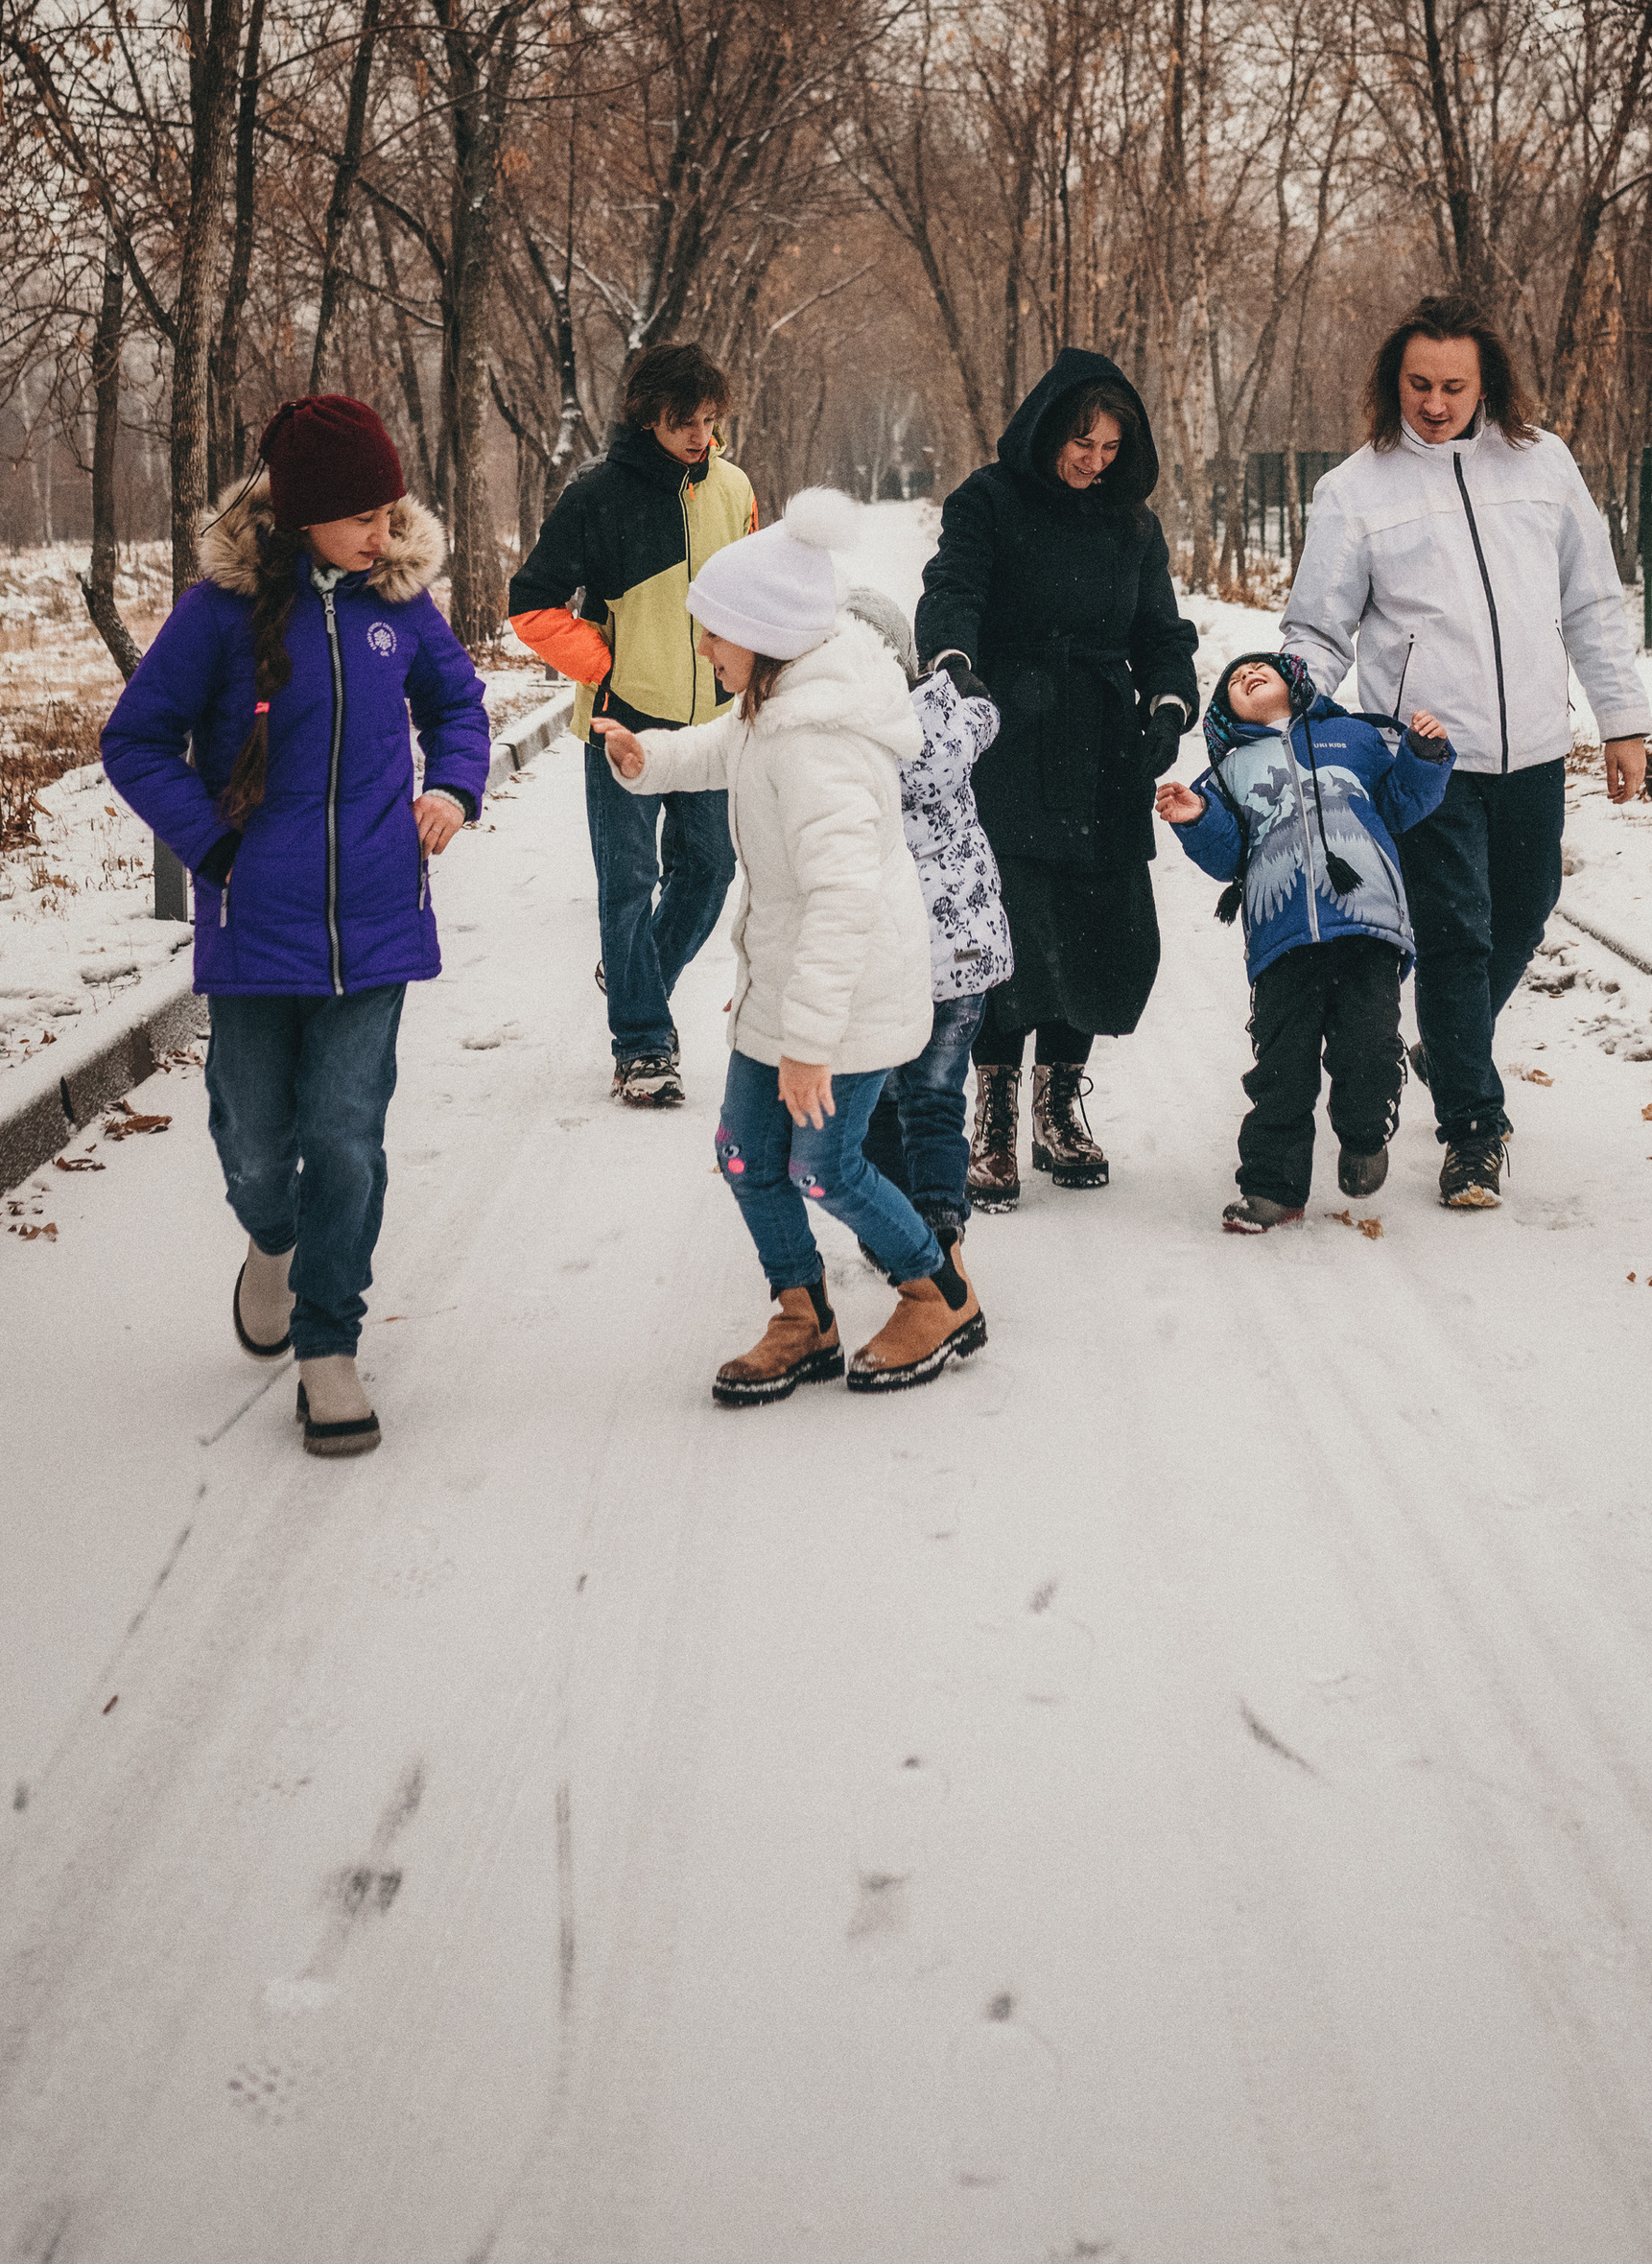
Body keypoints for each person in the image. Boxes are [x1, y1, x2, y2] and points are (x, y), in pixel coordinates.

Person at [103, 394, 490, 1458]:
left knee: (347, 1141)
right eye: (361, 513)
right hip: (256, 930)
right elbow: (135, 740)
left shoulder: (399, 604)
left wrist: (453, 791)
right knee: (257, 1147)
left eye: (389, 506)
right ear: (301, 512)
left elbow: (460, 709)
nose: (383, 529)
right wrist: (217, 854)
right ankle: (270, 1243)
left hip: (377, 923)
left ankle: (329, 1347)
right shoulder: (217, 614)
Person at [597, 491, 988, 1403]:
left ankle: (937, 1293)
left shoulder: (824, 744)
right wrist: (646, 759)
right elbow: (725, 752)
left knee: (826, 1165)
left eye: (713, 635)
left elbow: (844, 900)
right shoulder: (778, 701)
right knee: (744, 1153)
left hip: (841, 1003)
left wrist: (809, 1043)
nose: (703, 651)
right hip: (788, 987)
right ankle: (803, 1315)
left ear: (767, 635)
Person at [1281, 291, 1650, 1210]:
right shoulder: (1354, 491)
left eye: (1453, 386)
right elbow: (1318, 629)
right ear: (1391, 381)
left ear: (1487, 382)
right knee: (1457, 937)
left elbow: (1591, 601)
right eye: (1418, 385)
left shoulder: (1542, 463)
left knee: (1527, 908)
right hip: (1426, 756)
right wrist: (1286, 699)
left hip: (1532, 746)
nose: (1435, 404)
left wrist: (1623, 718)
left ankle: (1448, 1045)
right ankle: (1473, 1132)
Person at [914, 348, 1199, 1207]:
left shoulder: (1132, 525)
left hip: (1103, 744)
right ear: (1048, 427)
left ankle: (1059, 1106)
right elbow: (951, 587)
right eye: (1083, 443)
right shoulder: (988, 501)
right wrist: (958, 666)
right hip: (1010, 734)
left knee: (1096, 926)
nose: (1094, 462)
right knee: (1011, 926)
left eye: (1112, 448)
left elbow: (1161, 631)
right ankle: (994, 1114)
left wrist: (1169, 708)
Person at [507, 342, 757, 1108]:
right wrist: (603, 664)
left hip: (713, 725)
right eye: (685, 422)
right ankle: (643, 1044)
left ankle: (635, 969)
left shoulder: (735, 487)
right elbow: (531, 605)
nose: (699, 436)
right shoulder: (597, 497)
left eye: (710, 420)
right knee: (629, 884)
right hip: (625, 727)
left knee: (710, 869)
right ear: (648, 416)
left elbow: (752, 596)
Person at [1156, 650, 1453, 1232]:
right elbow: (1226, 858)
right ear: (1225, 712)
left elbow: (1401, 803)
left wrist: (1425, 756)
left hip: (1366, 924)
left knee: (1367, 1048)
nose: (1246, 675)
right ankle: (1272, 1186)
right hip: (1281, 935)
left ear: (1293, 682)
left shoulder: (1355, 735)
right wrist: (1196, 817)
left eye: (1257, 669)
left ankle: (1365, 1135)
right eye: (1235, 681)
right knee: (1281, 1067)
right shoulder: (1228, 770)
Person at [840, 583, 1013, 1251]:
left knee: (881, 1102)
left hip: (887, 958)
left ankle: (891, 1228)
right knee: (937, 1099)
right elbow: (987, 713)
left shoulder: (840, 739)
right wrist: (965, 681)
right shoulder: (945, 719)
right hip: (959, 956)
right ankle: (943, 1214)